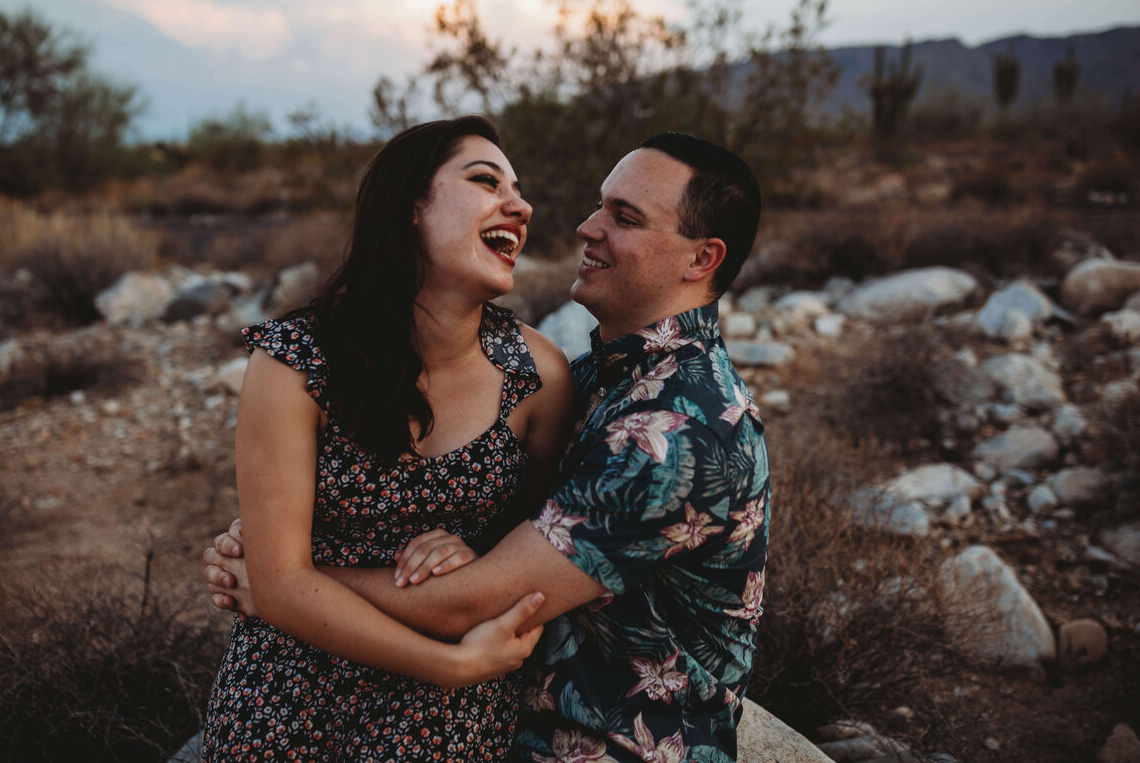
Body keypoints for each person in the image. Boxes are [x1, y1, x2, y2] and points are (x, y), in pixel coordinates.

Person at [206, 131, 770, 763]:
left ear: (701, 260)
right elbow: (513, 530)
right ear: (409, 204)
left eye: (624, 217)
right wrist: (284, 548)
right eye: (486, 182)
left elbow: (476, 599)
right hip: (362, 703)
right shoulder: (604, 377)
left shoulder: (679, 424)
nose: (581, 226)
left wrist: (284, 583)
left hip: (601, 745)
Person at [199, 115, 577, 762]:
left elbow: (527, 556)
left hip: (449, 700)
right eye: (486, 181)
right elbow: (280, 582)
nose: (520, 205)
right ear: (410, 208)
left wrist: (471, 549)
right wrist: (447, 665)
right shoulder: (295, 361)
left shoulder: (539, 378)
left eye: (518, 190)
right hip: (293, 670)